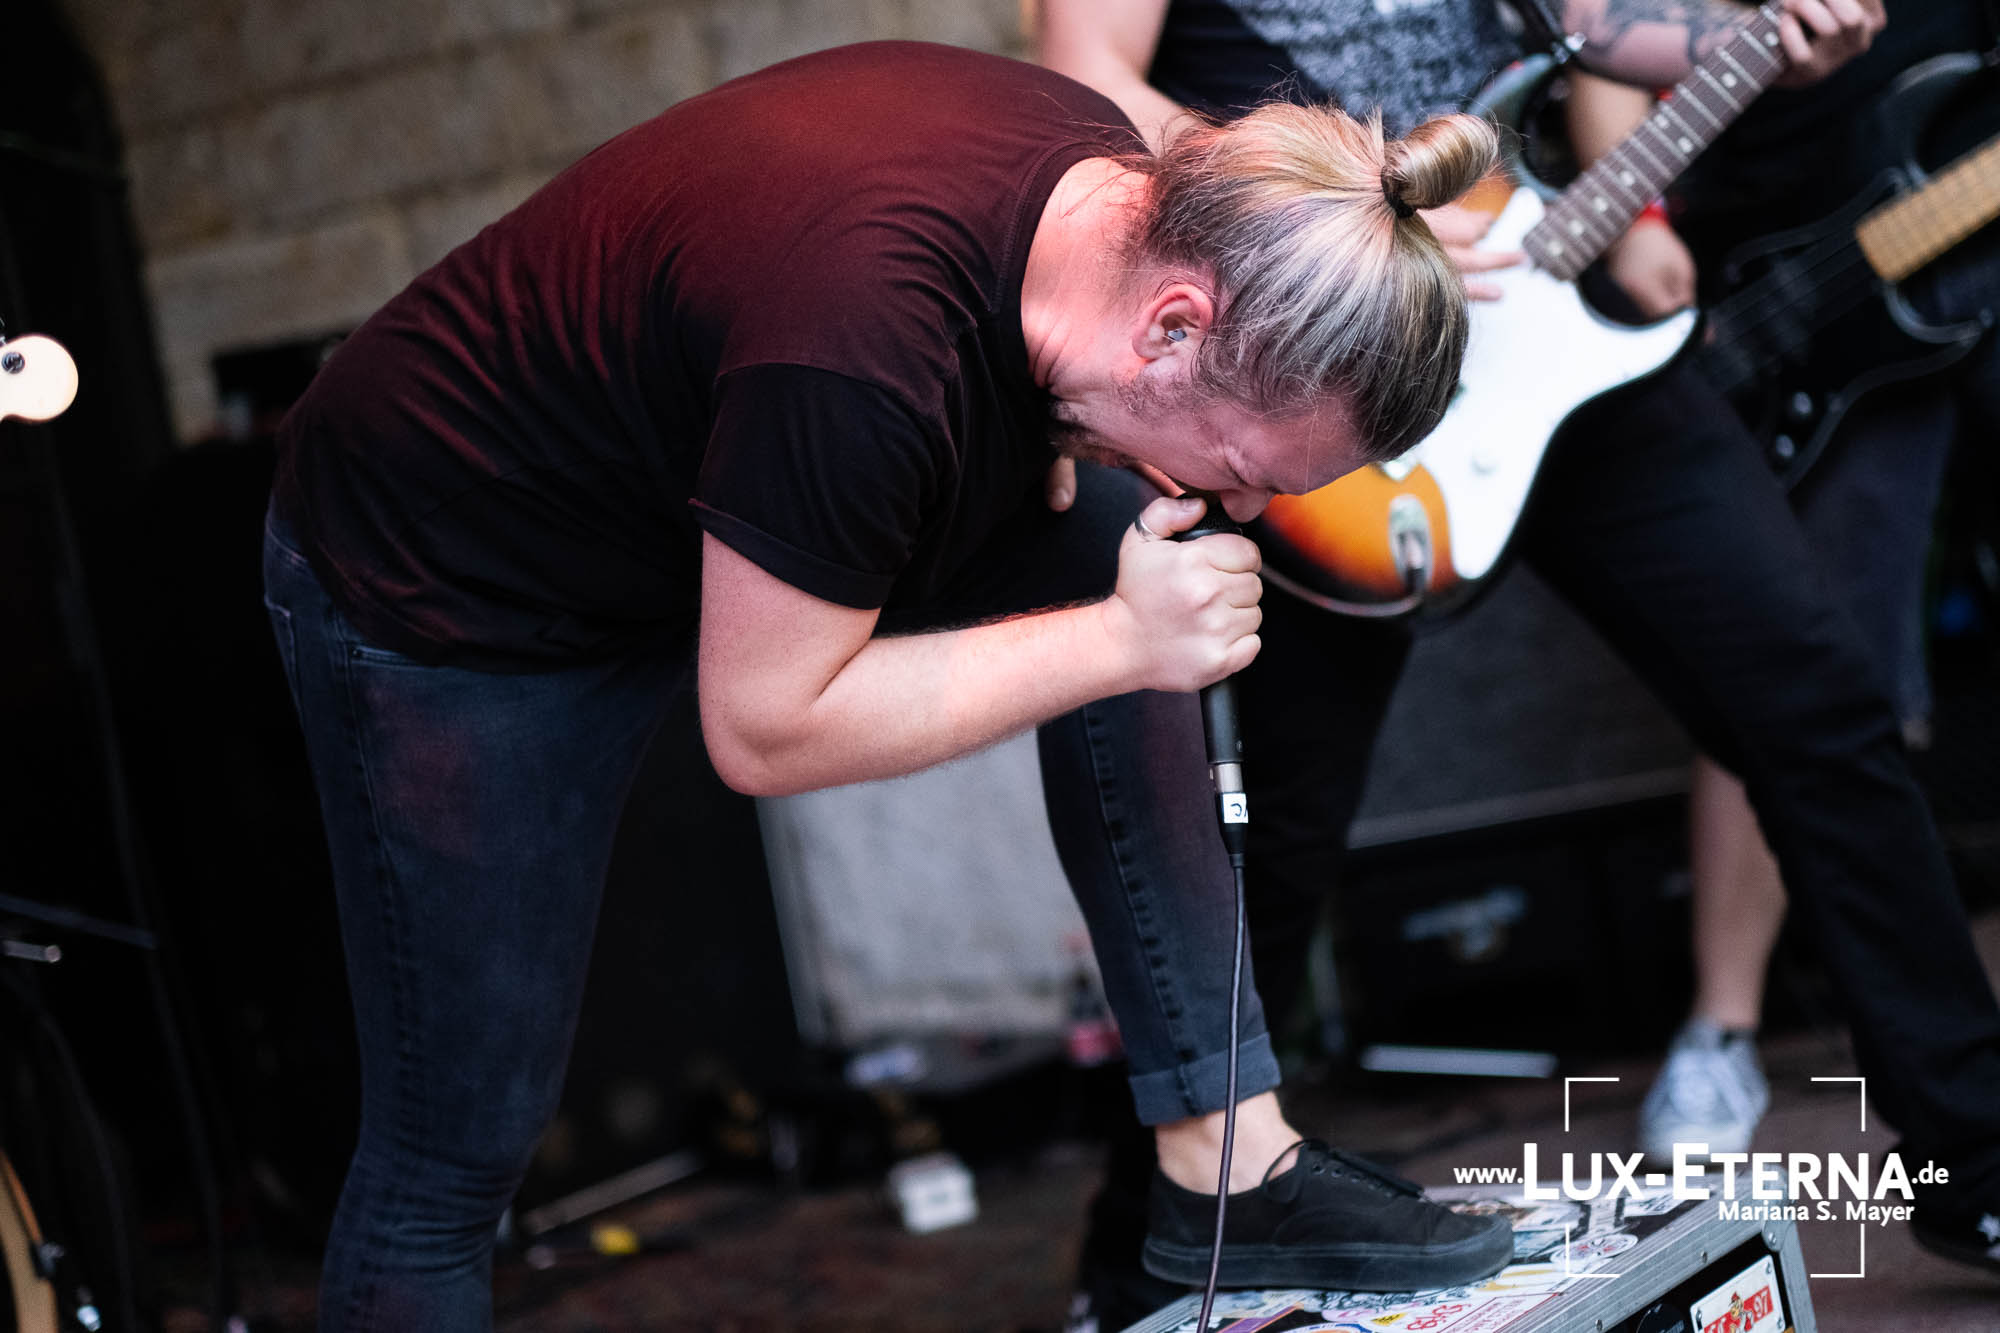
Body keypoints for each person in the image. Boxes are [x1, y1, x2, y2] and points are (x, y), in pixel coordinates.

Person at [264, 39, 1512, 1330]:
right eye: (1247, 467)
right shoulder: (863, 349)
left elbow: (1020, 410)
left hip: (697, 478)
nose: (1240, 507)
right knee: (456, 1150)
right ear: (1174, 326)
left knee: (1121, 545)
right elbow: (764, 726)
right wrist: (1118, 644)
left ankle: (1229, 1165)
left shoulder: (1110, 210)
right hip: (455, 577)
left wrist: (1077, 451)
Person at [1041, 1, 2000, 1325]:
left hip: (1547, 317)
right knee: (1266, 844)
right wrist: (1322, 211)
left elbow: (1597, 26)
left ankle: (1978, 1159)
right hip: (1309, 357)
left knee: (1817, 705)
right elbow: (1082, 74)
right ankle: (1141, 1263)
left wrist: (1759, 41)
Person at [1560, 0, 2000, 1171]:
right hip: (1801, 281)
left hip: (1967, 213)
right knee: (1800, 660)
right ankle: (1721, 1025)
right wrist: (1634, 219)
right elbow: (1597, 47)